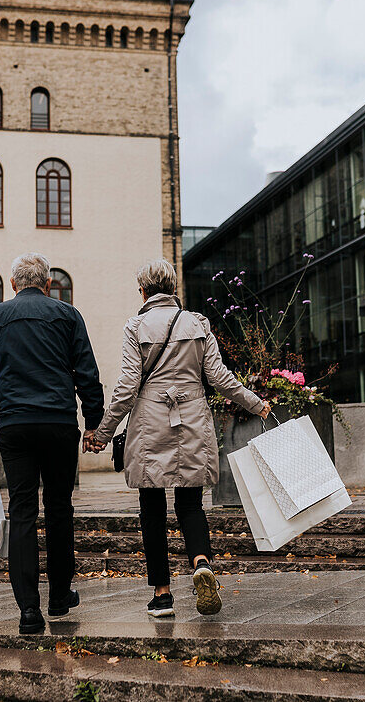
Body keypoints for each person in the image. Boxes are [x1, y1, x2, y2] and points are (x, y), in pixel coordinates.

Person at [89, 259, 270, 617]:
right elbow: (220, 379)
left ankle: (162, 594)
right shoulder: (198, 323)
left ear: (142, 291)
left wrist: (102, 433)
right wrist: (256, 403)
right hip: (192, 420)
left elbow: (126, 389)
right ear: (173, 289)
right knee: (191, 504)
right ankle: (202, 562)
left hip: (150, 424)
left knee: (151, 508)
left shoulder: (135, 326)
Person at [0, 252, 104, 635]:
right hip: (58, 422)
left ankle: (28, 609)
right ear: (48, 284)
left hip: (15, 425)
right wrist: (93, 423)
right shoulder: (68, 315)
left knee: (22, 510)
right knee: (60, 507)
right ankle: (59, 596)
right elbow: (87, 372)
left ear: (12, 285)